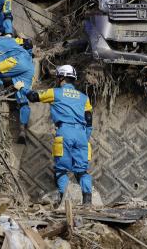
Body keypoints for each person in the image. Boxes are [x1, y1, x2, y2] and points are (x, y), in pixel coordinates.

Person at [13, 65, 94, 205]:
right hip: (81, 135)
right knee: (82, 171)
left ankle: (63, 203)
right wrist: (85, 138)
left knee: (61, 170)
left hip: (65, 132)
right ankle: (87, 203)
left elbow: (33, 96)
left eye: (58, 78)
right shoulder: (84, 98)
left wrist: (21, 88)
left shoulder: (55, 92)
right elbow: (89, 119)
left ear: (61, 78)